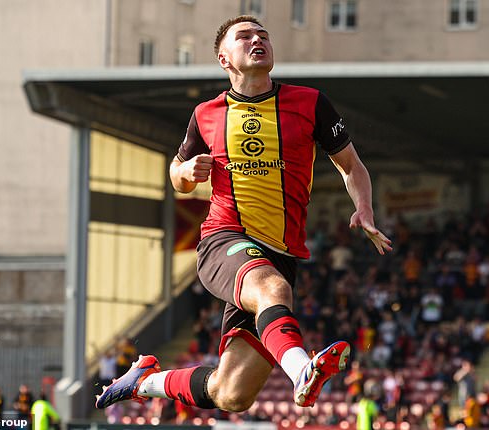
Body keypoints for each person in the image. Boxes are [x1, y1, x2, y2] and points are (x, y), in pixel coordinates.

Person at [96, 15, 391, 413]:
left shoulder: (310, 103)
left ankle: (146, 381)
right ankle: (302, 368)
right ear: (224, 59)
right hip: (225, 240)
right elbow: (175, 174)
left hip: (281, 253)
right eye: (246, 36)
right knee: (273, 290)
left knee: (231, 394)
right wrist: (185, 173)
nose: (258, 40)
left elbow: (351, 166)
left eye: (264, 36)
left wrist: (365, 208)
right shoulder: (206, 114)